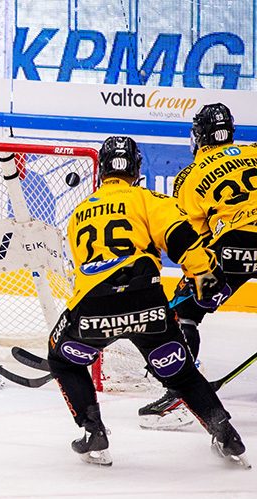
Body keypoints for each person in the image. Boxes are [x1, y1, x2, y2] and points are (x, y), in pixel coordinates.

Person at [47, 136, 248, 467]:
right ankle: (227, 436)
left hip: (93, 309)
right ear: (136, 169)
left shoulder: (79, 213)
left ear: (102, 170)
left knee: (62, 359)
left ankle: (93, 431)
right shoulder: (148, 199)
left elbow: (83, 272)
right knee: (182, 374)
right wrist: (205, 276)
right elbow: (181, 240)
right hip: (147, 305)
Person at [139, 102, 257, 429]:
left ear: (199, 136)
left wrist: (194, 284)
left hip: (235, 248)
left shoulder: (190, 176)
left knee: (182, 312)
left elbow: (195, 239)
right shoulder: (254, 151)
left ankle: (180, 394)